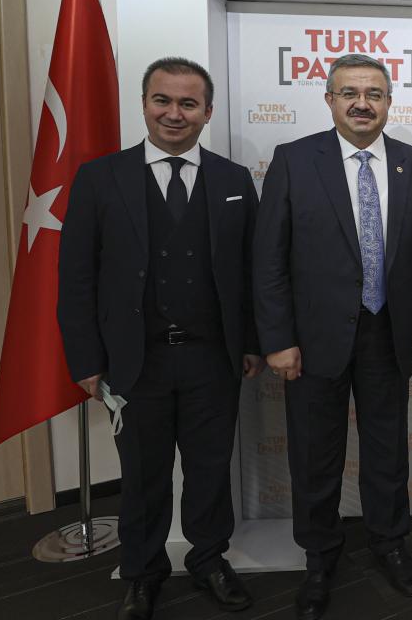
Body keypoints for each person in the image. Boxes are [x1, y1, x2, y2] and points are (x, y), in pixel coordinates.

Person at [58, 57, 261, 619]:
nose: (175, 113)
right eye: (163, 101)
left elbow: (249, 272)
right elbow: (76, 277)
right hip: (135, 361)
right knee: (143, 477)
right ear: (144, 104)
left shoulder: (233, 180)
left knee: (209, 471)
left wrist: (251, 341)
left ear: (207, 112)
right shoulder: (100, 178)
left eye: (188, 103)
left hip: (212, 359)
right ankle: (143, 573)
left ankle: (209, 560)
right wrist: (85, 359)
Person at [253, 53, 412, 620]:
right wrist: (278, 338)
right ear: (330, 100)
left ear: (389, 102)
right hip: (312, 341)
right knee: (315, 455)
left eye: (374, 94)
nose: (362, 104)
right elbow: (269, 259)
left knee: (388, 452)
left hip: (388, 333)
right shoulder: (294, 160)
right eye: (350, 93)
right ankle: (319, 558)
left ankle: (390, 543)